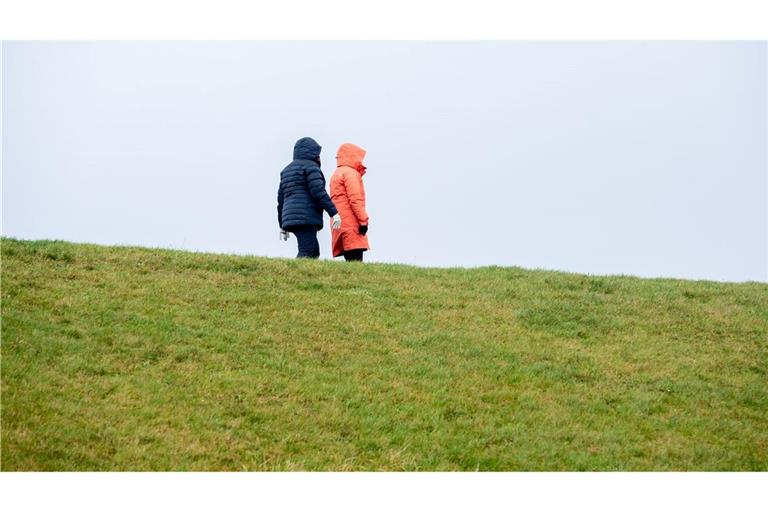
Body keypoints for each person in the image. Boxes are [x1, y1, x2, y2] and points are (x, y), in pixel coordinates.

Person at [277, 137, 341, 258]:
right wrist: (334, 213)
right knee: (306, 251)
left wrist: (281, 224)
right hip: (305, 218)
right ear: (312, 153)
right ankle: (293, 275)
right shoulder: (311, 167)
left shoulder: (286, 170)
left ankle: (309, 275)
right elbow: (318, 192)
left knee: (314, 252)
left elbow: (281, 200)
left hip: (291, 217)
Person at [330, 143, 370, 262]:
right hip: (351, 224)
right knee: (356, 263)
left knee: (350, 262)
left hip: (340, 223)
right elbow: (355, 199)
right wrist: (363, 221)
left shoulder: (336, 174)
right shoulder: (350, 173)